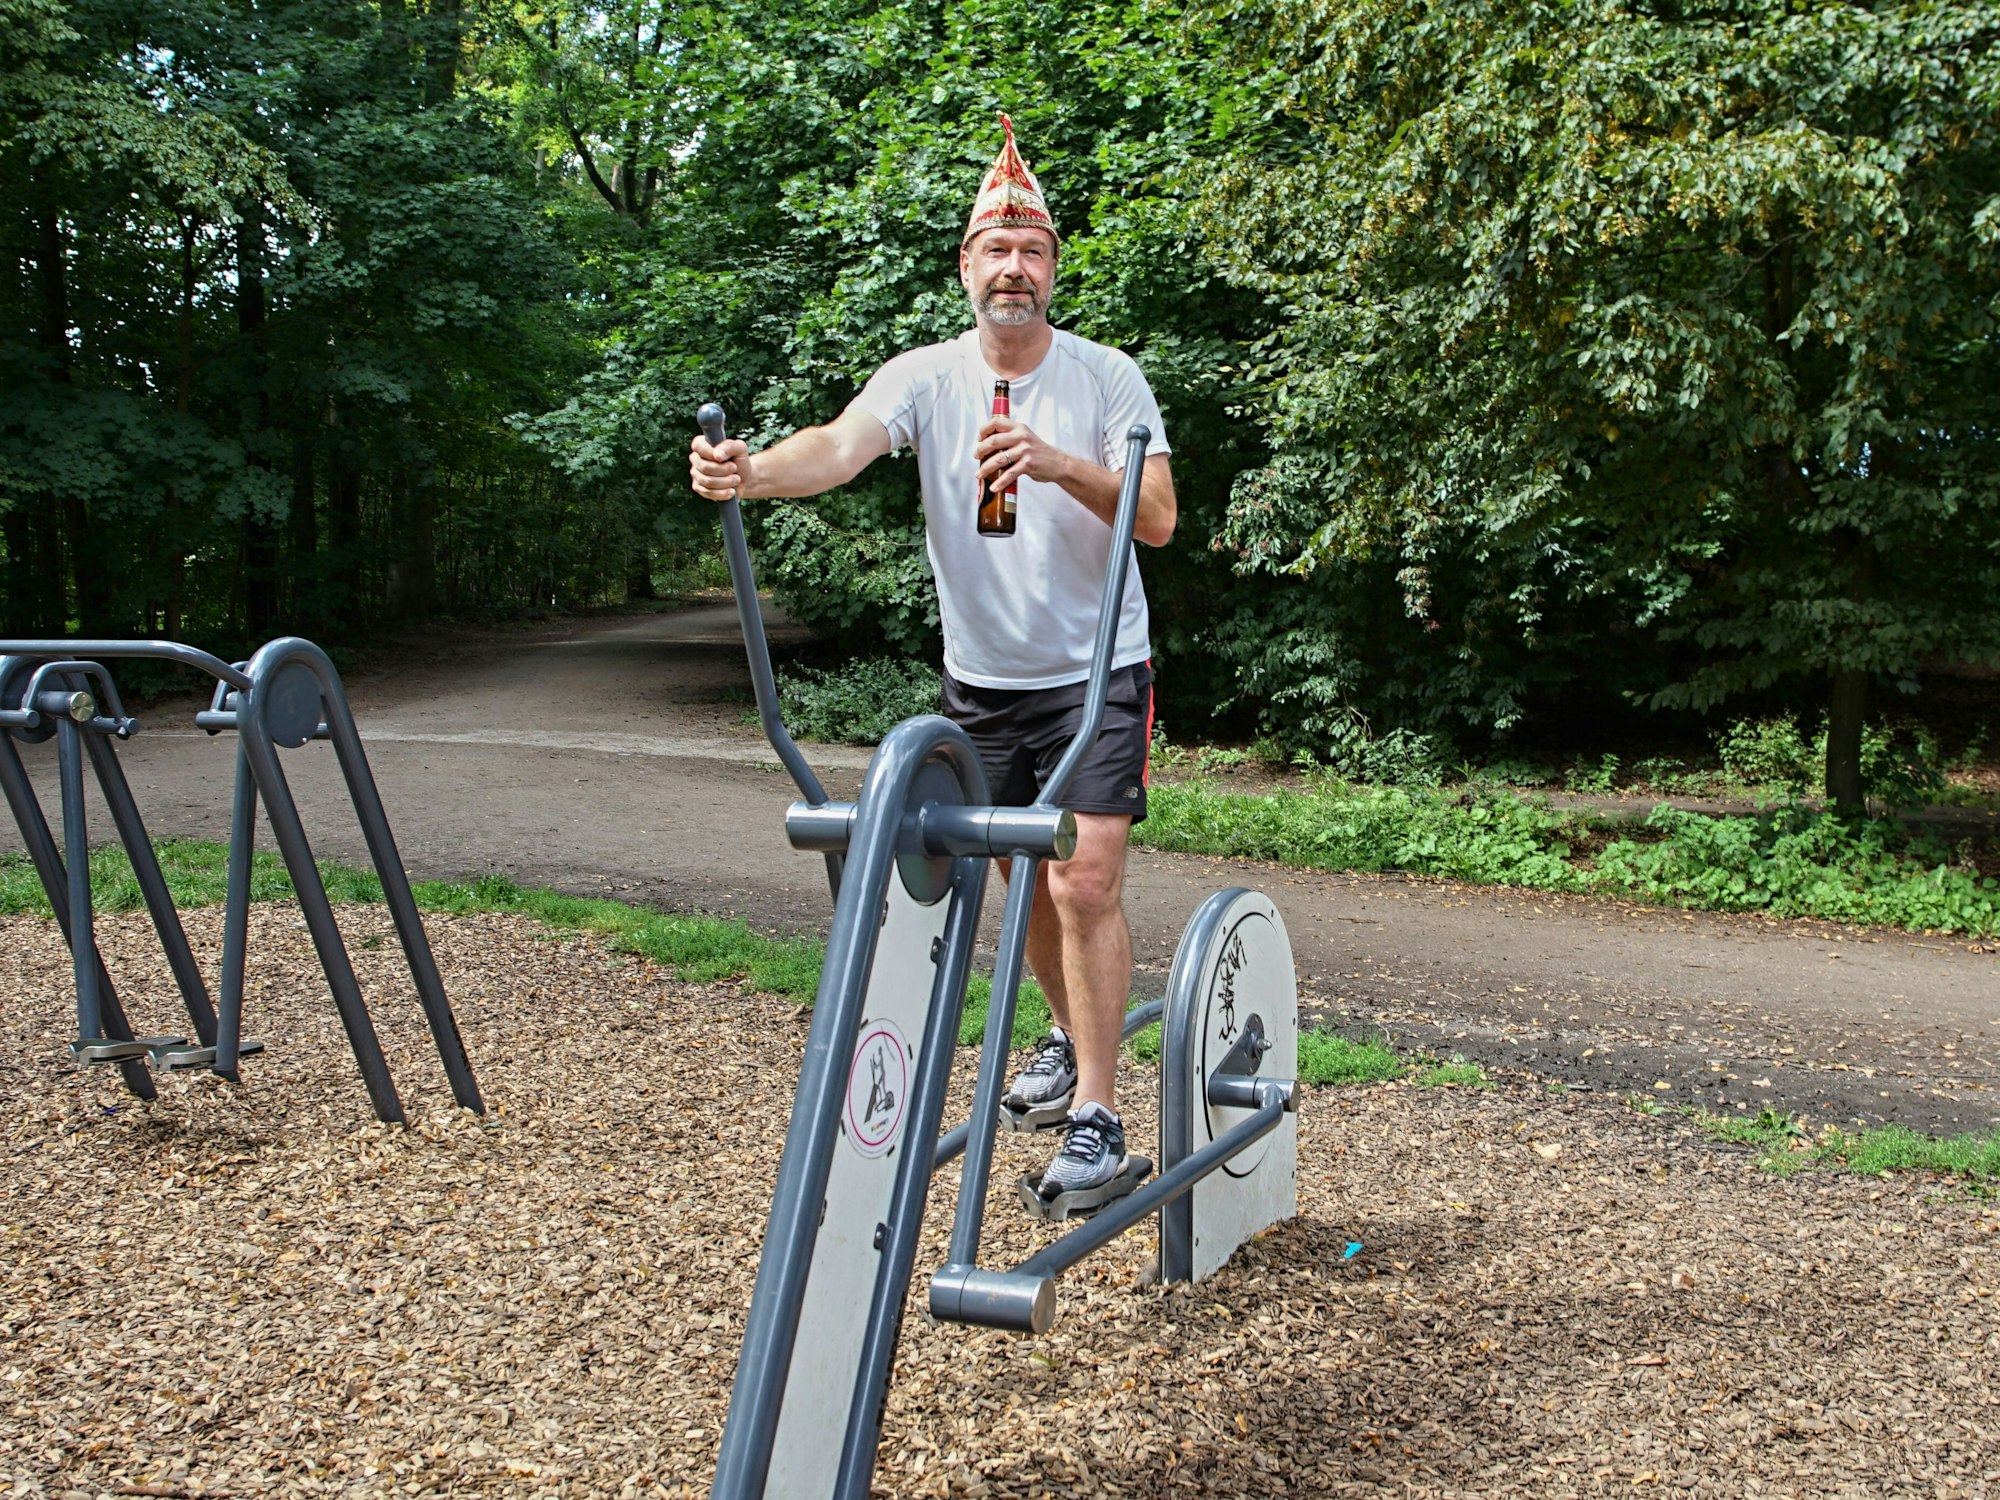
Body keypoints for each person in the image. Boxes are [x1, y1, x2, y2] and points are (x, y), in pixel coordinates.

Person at [689, 113, 1176, 1206]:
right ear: (965, 266)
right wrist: (750, 471)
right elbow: (839, 446)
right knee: (1032, 897)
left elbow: (1156, 518)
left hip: (1096, 670)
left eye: (1032, 251)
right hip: (984, 681)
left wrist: (1057, 464)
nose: (1014, 268)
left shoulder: (1105, 380)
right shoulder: (926, 375)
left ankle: (1096, 1113)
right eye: (994, 251)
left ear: (1052, 269)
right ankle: (1061, 1035)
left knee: (1083, 879)